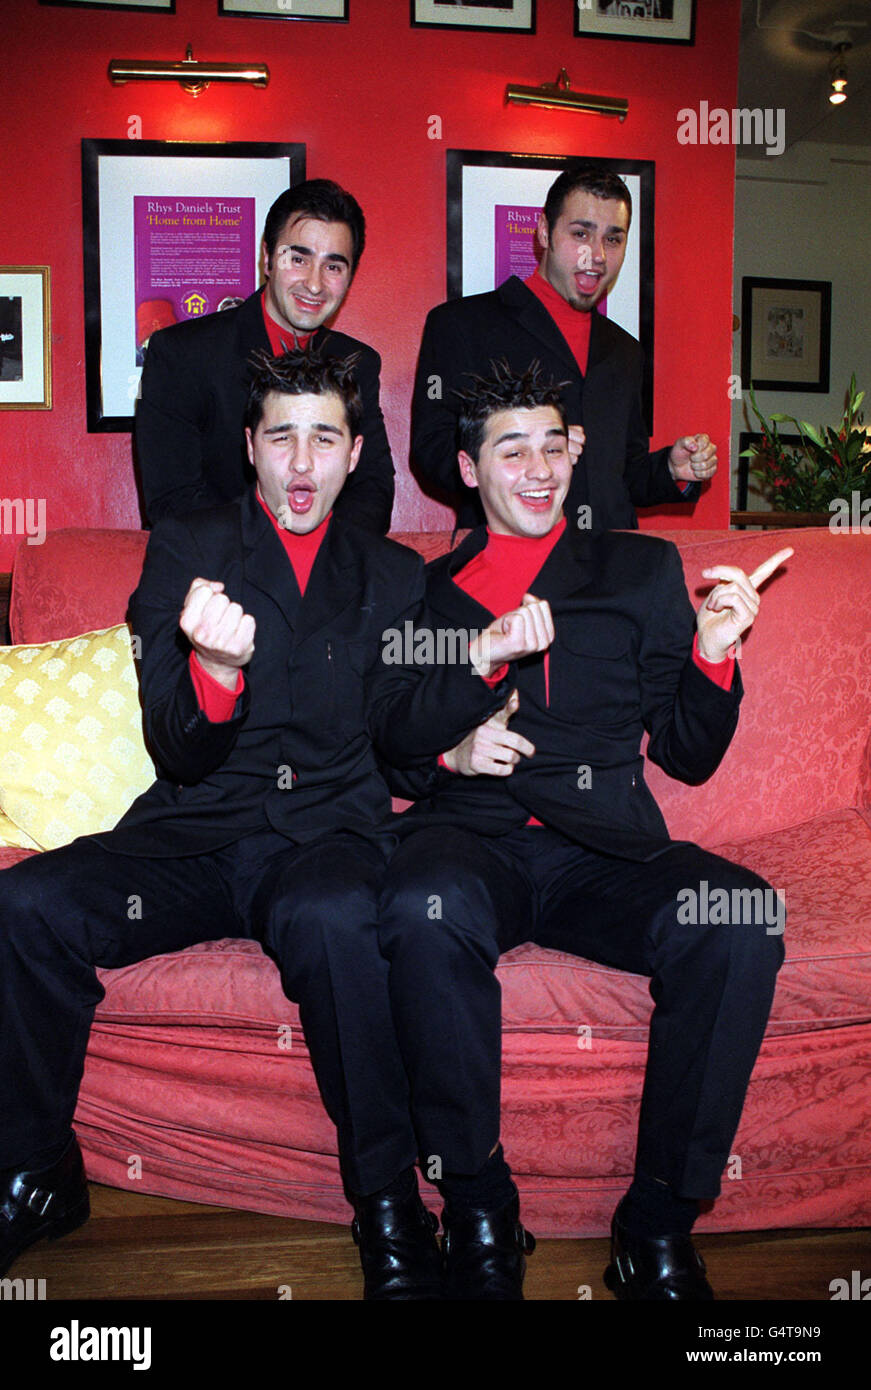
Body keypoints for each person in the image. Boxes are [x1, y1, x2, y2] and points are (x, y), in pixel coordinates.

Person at [0, 350, 536, 1295]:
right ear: (248, 446)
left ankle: (388, 1206)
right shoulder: (187, 546)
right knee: (26, 907)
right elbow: (177, 744)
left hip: (324, 843)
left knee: (338, 918)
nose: (300, 462)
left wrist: (478, 668)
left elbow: (402, 738)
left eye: (323, 437)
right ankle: (37, 1169)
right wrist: (212, 670)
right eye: (280, 435)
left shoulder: (390, 575)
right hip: (192, 836)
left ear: (354, 451)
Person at [377, 361, 791, 1300]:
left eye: (551, 446)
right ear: (468, 469)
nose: (536, 467)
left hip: (604, 848)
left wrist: (713, 654)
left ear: (574, 456)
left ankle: (655, 1225)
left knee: (738, 915)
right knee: (416, 909)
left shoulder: (637, 569)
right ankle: (478, 1206)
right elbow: (391, 746)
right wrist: (451, 747)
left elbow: (684, 755)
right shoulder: (426, 593)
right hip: (469, 841)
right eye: (509, 448)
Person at [411, 161, 717, 530]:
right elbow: (432, 451)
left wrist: (671, 469)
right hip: (510, 565)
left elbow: (625, 474)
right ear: (543, 231)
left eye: (613, 239)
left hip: (611, 565)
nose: (597, 255)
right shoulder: (460, 325)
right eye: (581, 234)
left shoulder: (626, 351)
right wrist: (525, 458)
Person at [135, 179, 394, 533]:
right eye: (299, 259)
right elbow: (172, 500)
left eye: (333, 266)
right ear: (268, 258)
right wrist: (279, 554)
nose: (314, 284)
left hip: (327, 577)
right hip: (218, 575)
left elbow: (372, 494)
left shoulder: (359, 363)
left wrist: (316, 564)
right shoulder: (182, 354)